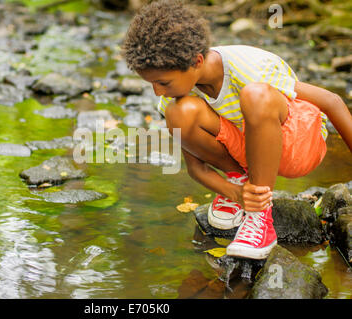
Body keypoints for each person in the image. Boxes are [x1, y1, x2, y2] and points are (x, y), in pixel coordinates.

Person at [121, 0, 352, 259]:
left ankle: (260, 218)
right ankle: (242, 180)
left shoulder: (249, 68)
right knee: (178, 113)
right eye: (152, 83)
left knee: (255, 95)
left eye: (162, 82)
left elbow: (332, 101)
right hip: (252, 148)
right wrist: (237, 193)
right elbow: (196, 169)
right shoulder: (174, 95)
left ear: (197, 61)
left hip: (298, 143)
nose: (157, 91)